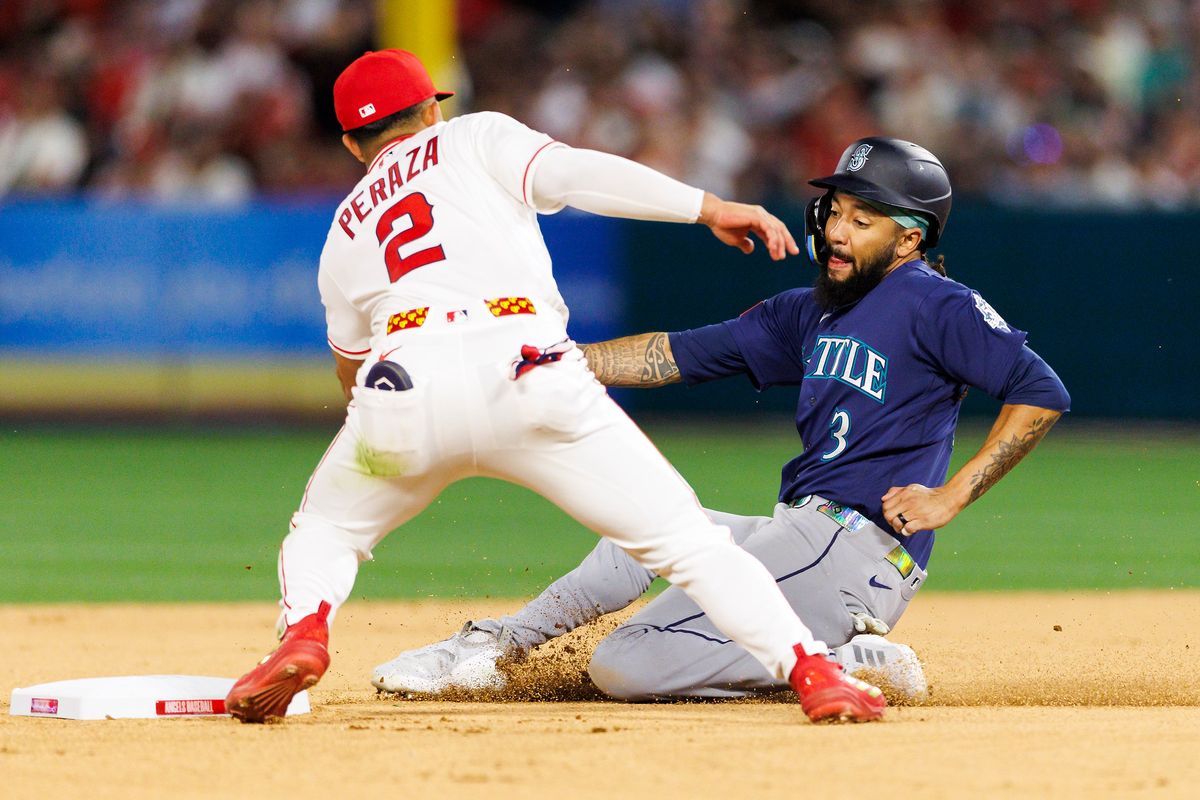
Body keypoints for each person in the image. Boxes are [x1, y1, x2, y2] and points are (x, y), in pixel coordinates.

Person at [225, 49, 887, 724]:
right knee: (687, 543)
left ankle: (306, 631)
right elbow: (573, 174)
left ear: (349, 143)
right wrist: (707, 206)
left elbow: (350, 371)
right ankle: (811, 671)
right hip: (529, 369)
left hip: (403, 385)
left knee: (328, 527)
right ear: (431, 109)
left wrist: (379, 448)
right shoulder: (471, 134)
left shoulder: (343, 231)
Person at [370, 137, 1071, 702]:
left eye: (864, 219)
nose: (836, 230)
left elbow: (1039, 389)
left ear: (911, 239)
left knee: (625, 663)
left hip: (855, 553)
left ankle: (846, 658)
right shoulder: (808, 309)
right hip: (797, 534)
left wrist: (954, 493)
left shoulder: (934, 304)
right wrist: (547, 359)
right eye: (835, 210)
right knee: (636, 532)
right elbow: (670, 356)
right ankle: (495, 646)